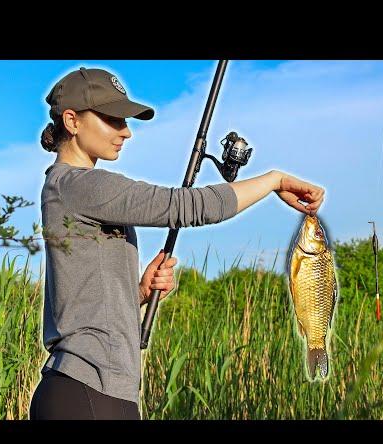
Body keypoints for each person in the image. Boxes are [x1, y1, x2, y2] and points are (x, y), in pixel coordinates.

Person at [28, 66, 325, 420]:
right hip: (88, 390)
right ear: (73, 121)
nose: (126, 132)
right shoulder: (77, 185)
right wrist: (274, 180)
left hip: (97, 390)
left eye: (126, 121)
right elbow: (188, 207)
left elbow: (82, 297)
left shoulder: (73, 191)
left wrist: (137, 292)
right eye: (113, 119)